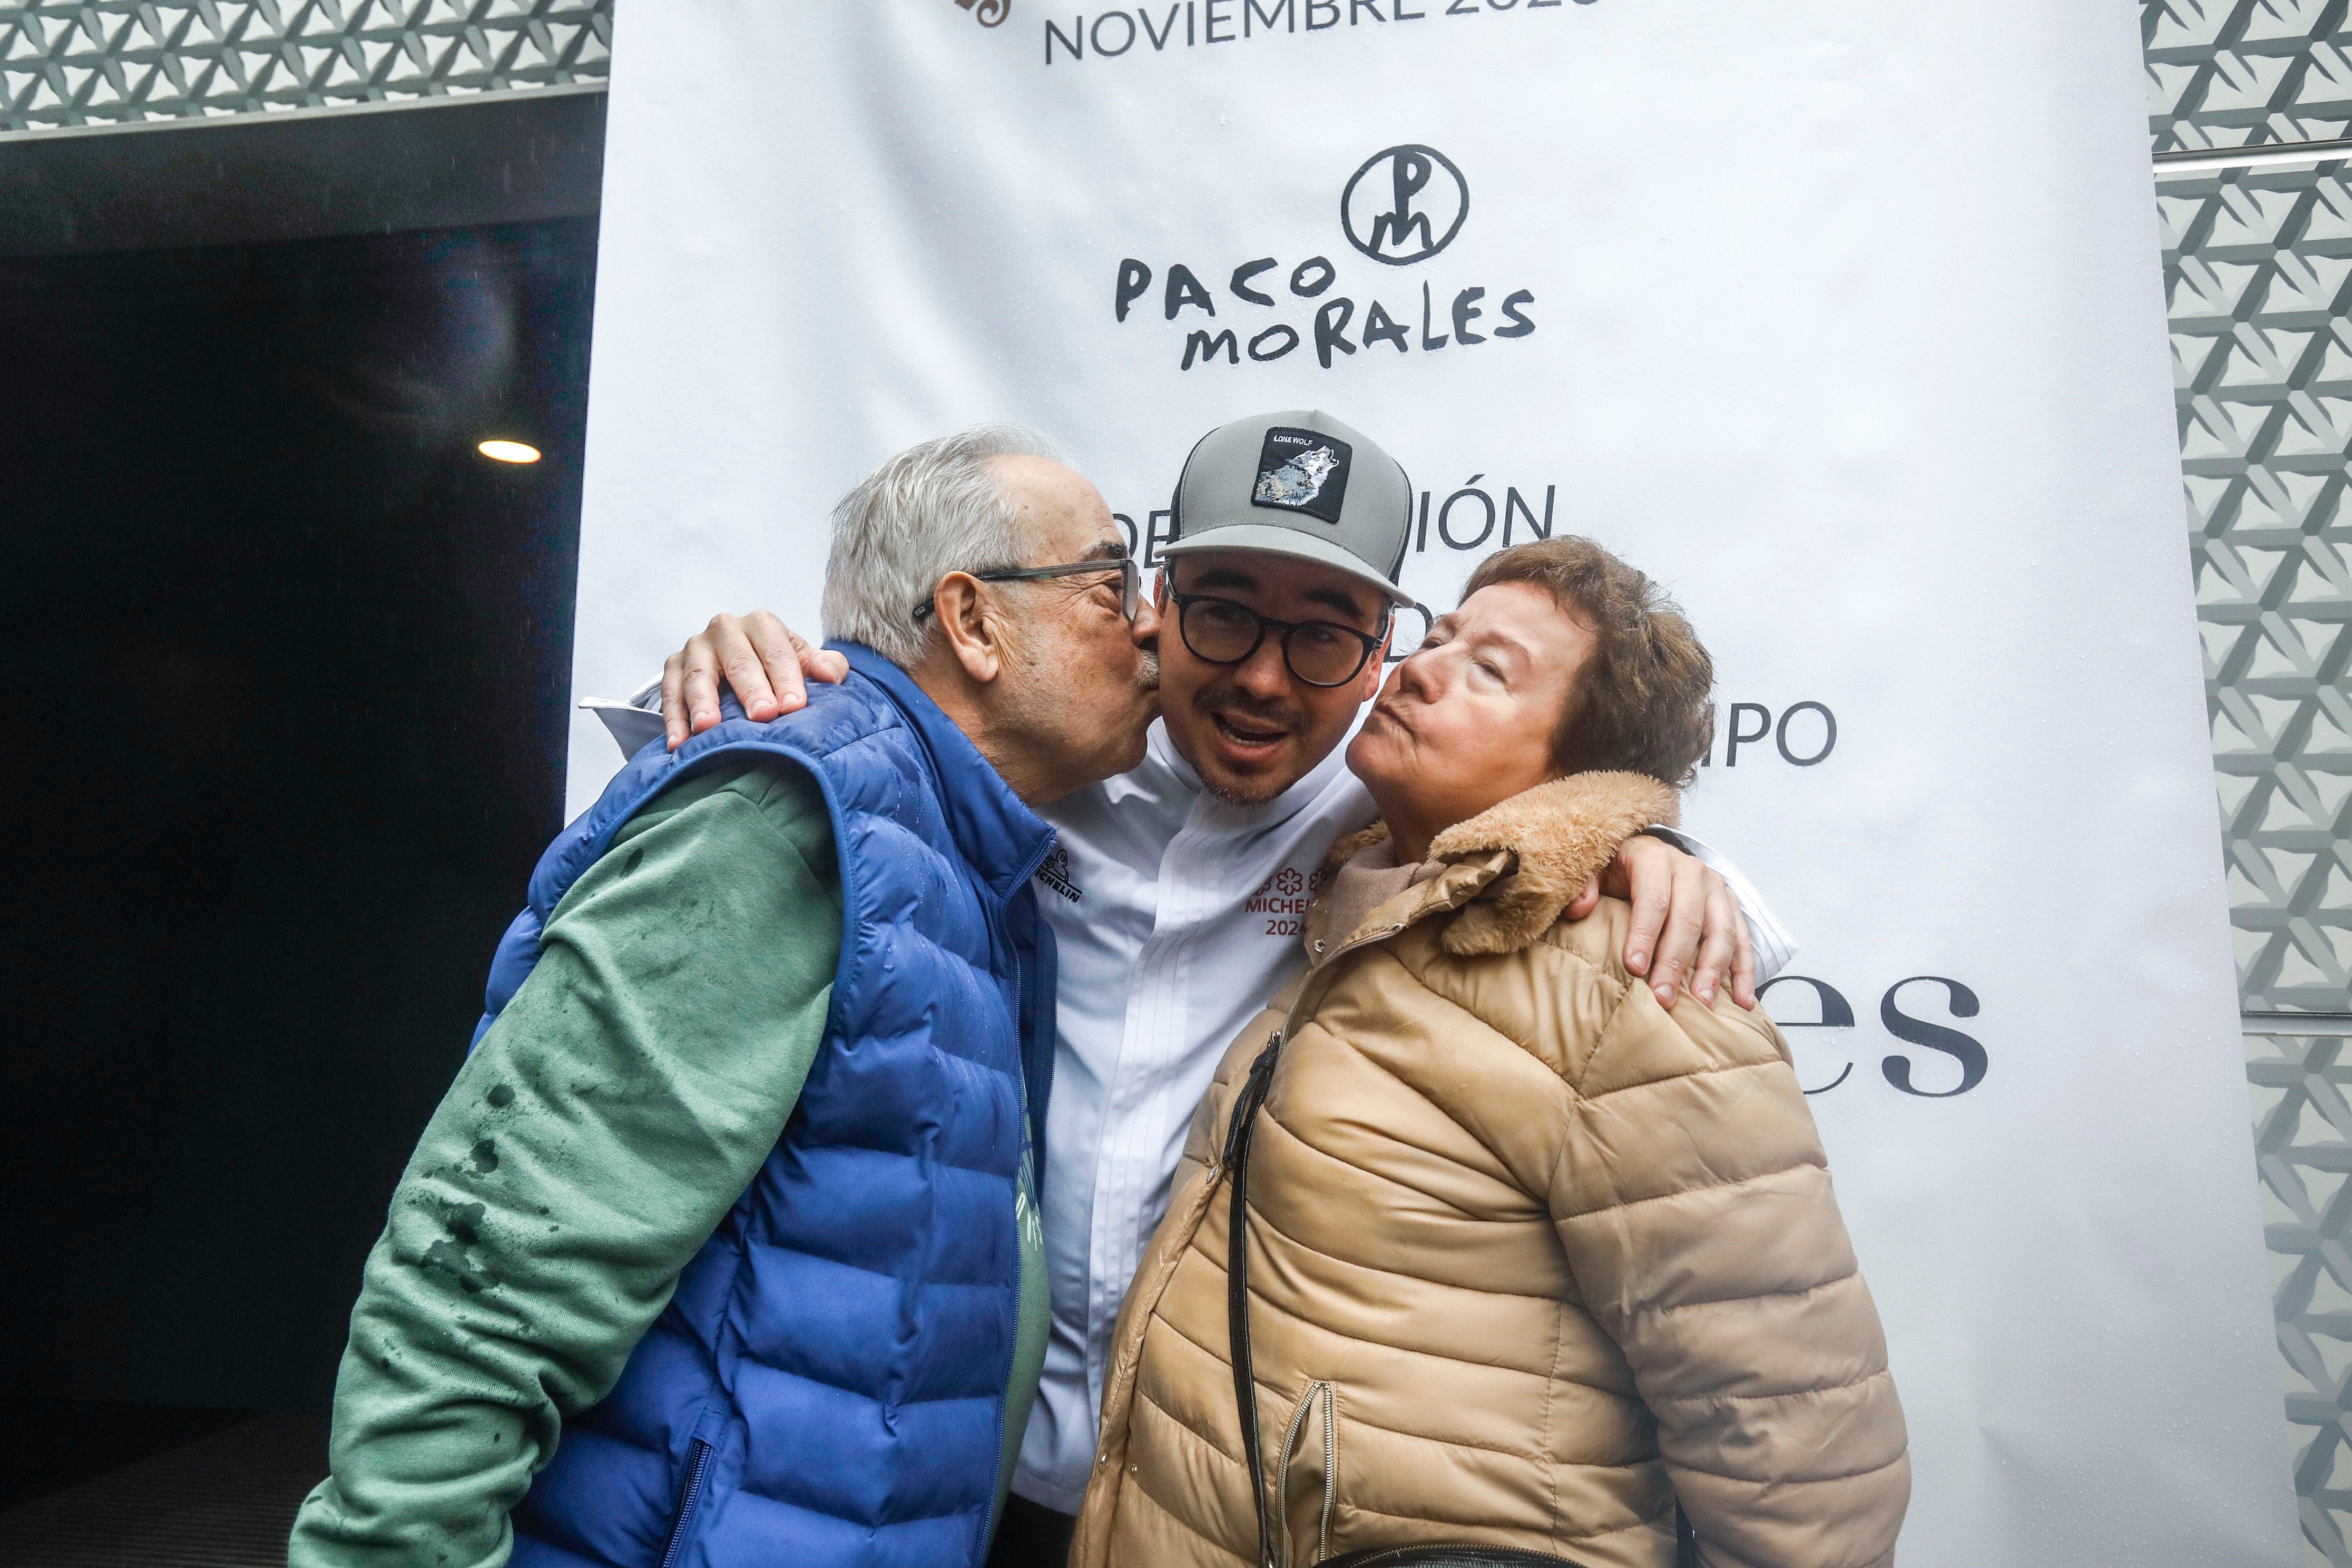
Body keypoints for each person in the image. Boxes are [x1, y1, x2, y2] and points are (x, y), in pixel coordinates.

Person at [644, 411, 1799, 1566]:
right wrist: (750, 663)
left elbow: (1585, 883)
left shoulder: (1382, 821)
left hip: (1192, 1503)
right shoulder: (1041, 752)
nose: (1262, 677)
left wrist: (1648, 844)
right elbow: (838, 755)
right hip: (960, 1471)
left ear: (1379, 658)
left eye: (1323, 638)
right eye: (1226, 612)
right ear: (1153, 601)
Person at [288, 426, 1160, 1568]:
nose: (1147, 622)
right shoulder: (786, 817)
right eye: (1110, 584)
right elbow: (491, 1266)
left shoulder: (955, 854)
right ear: (974, 619)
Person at [1073, 537, 1907, 1568]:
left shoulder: (1636, 985)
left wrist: (1653, 842)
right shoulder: (1364, 919)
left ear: (1577, 769)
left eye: (1490, 670)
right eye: (1442, 636)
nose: (1423, 667)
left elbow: (1801, 1447)